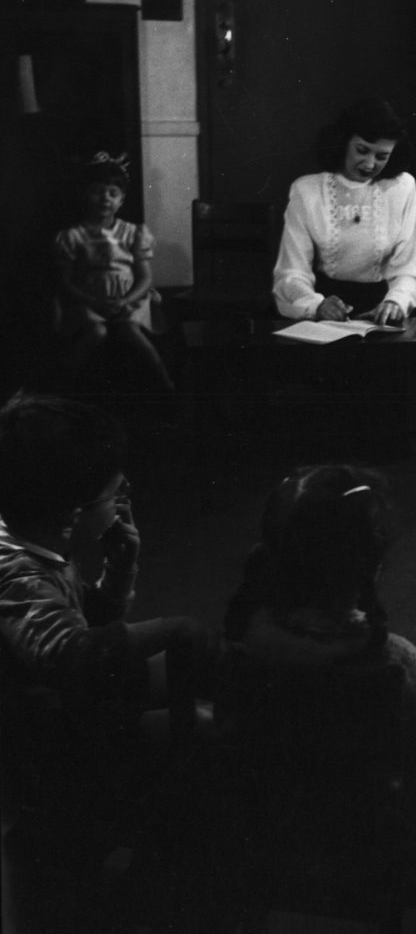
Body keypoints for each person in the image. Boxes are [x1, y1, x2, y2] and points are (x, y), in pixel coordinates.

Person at [210, 464, 416, 926]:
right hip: (368, 842)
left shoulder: (233, 645)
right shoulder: (395, 666)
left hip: (274, 830)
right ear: (373, 563)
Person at [0, 392, 218, 932]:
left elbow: (79, 625)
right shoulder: (12, 571)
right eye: (114, 493)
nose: (122, 500)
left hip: (58, 711)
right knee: (210, 741)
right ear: (74, 510)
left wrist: (119, 569)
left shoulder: (34, 538)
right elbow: (75, 654)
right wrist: (177, 630)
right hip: (42, 750)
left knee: (205, 706)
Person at [273, 97, 416, 325]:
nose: (369, 165)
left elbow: (412, 264)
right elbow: (291, 271)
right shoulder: (306, 190)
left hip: (382, 311)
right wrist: (316, 305)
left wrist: (396, 302)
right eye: (362, 150)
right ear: (343, 141)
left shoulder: (402, 187)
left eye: (381, 157)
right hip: (325, 306)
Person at [54, 152, 174, 394]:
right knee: (95, 332)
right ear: (84, 194)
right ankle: (61, 386)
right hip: (89, 300)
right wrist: (92, 301)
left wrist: (125, 300)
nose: (105, 198)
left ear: (121, 200)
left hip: (129, 298)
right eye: (97, 191)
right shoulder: (72, 236)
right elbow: (64, 281)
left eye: (113, 193)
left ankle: (165, 383)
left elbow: (145, 277)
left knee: (128, 328)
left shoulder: (133, 232)